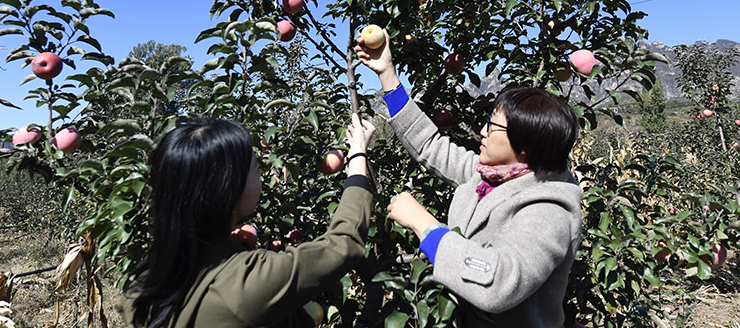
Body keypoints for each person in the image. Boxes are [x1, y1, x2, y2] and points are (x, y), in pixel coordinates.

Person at [356, 31, 582, 328]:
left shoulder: (550, 210)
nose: (484, 132)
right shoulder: (492, 176)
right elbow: (429, 146)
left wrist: (425, 225)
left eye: (494, 127)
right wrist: (387, 73)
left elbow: (500, 284)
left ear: (525, 146)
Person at [117, 114, 375, 327]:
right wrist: (358, 157)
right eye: (255, 168)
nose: (262, 173)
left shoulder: (142, 287)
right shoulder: (246, 282)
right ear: (229, 188)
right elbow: (343, 244)